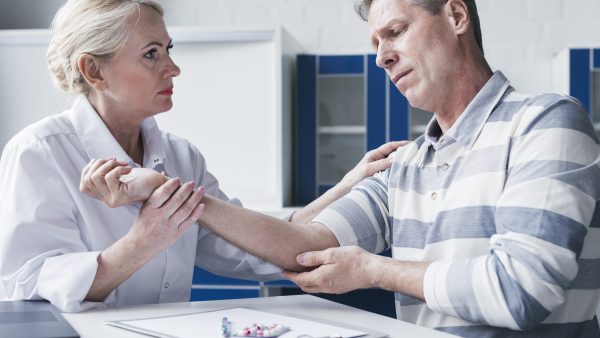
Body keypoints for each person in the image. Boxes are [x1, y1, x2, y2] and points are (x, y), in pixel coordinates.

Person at [84, 0, 600, 336]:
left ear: (456, 16)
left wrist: (374, 269)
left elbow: (522, 290)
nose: (381, 58)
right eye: (375, 44)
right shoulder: (407, 166)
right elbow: (302, 246)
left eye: (395, 32)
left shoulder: (545, 123)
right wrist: (164, 190)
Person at [0, 0, 403, 313]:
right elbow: (30, 287)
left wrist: (347, 186)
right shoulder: (39, 154)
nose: (173, 68)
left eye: (168, 50)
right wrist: (143, 241)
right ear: (93, 70)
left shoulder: (180, 156)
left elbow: (252, 246)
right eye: (151, 54)